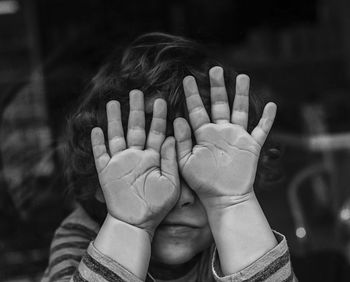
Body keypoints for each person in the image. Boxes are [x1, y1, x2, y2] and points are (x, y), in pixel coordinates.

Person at [42, 32, 297, 282]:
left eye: (200, 177)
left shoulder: (231, 230)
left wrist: (232, 204)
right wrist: (128, 225)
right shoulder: (80, 237)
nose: (181, 198)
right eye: (154, 172)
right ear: (99, 181)